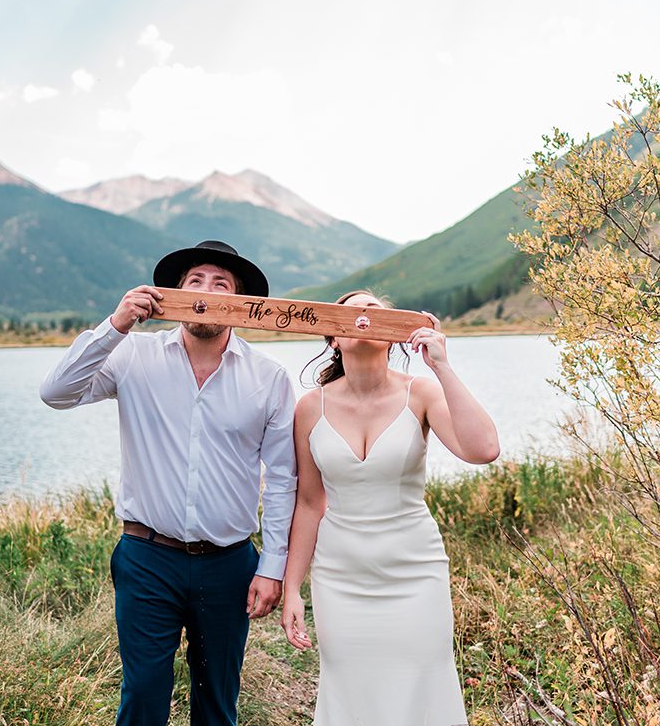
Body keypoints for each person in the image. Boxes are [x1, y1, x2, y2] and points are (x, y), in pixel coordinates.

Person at [40, 239, 297, 726]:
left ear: (240, 304)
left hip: (228, 562)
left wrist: (273, 565)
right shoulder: (131, 355)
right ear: (173, 294)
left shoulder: (270, 378)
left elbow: (284, 479)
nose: (206, 292)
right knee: (143, 695)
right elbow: (56, 393)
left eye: (221, 284)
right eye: (194, 282)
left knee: (218, 701)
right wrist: (115, 325)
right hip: (147, 557)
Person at [279, 290, 499, 726]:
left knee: (422, 683)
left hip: (414, 571)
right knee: (349, 687)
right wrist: (292, 590)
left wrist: (441, 365)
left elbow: (484, 449)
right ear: (333, 339)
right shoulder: (309, 408)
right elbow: (308, 503)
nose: (363, 318)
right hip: (339, 576)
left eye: (374, 311)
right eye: (350, 312)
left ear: (394, 333)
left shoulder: (422, 393)